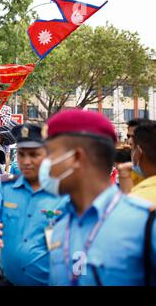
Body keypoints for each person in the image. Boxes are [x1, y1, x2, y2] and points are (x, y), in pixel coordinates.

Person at [40, 109, 156, 286]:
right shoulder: (61, 224)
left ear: (76, 157)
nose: (44, 164)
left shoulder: (145, 223)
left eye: (49, 154)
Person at [0, 124, 68, 286]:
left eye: (33, 155)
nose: (26, 161)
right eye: (21, 155)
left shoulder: (64, 194)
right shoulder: (6, 189)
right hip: (9, 281)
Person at [121, 122, 156, 204]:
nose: (129, 141)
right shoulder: (130, 170)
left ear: (140, 151)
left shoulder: (140, 200)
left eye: (133, 137)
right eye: (128, 136)